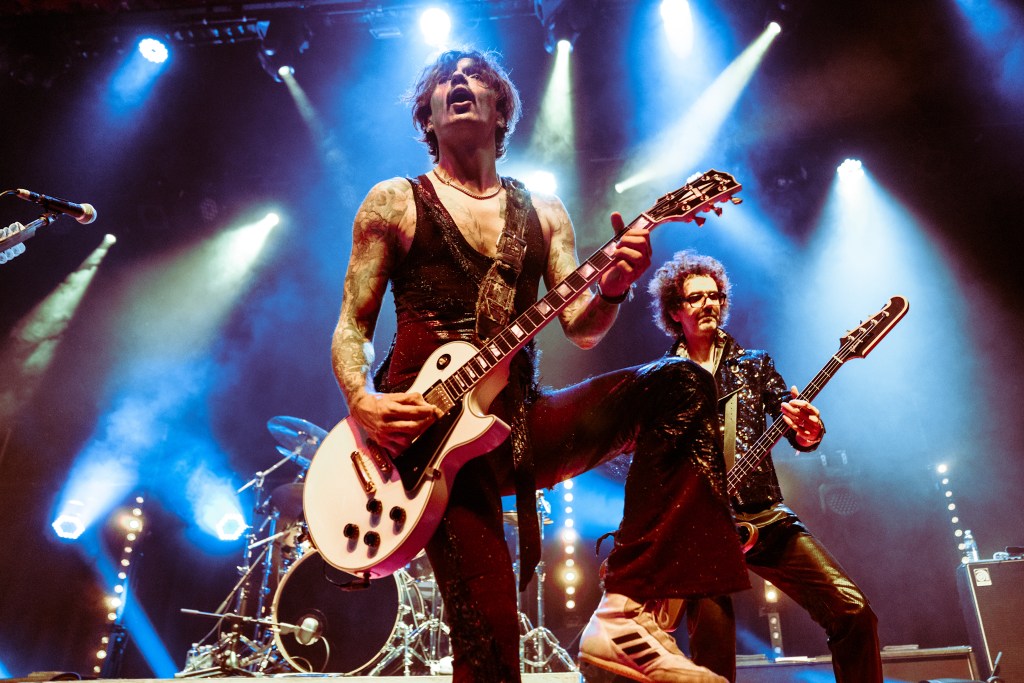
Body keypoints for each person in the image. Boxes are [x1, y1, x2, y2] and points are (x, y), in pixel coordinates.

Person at [330, 48, 745, 683]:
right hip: (424, 445)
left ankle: (628, 606)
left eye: (475, 76)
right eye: (443, 79)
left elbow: (581, 328)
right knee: (492, 644)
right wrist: (362, 401)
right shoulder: (394, 202)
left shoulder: (544, 212)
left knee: (681, 382)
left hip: (521, 424)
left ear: (501, 110)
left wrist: (612, 289)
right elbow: (351, 326)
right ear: (427, 116)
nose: (459, 81)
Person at [645, 250, 883, 683]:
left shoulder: (754, 364)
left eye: (715, 296)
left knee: (853, 612)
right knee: (713, 658)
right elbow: (645, 461)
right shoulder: (661, 378)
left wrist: (809, 430)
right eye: (696, 297)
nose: (709, 304)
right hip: (701, 531)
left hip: (764, 516)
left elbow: (797, 429)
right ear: (675, 310)